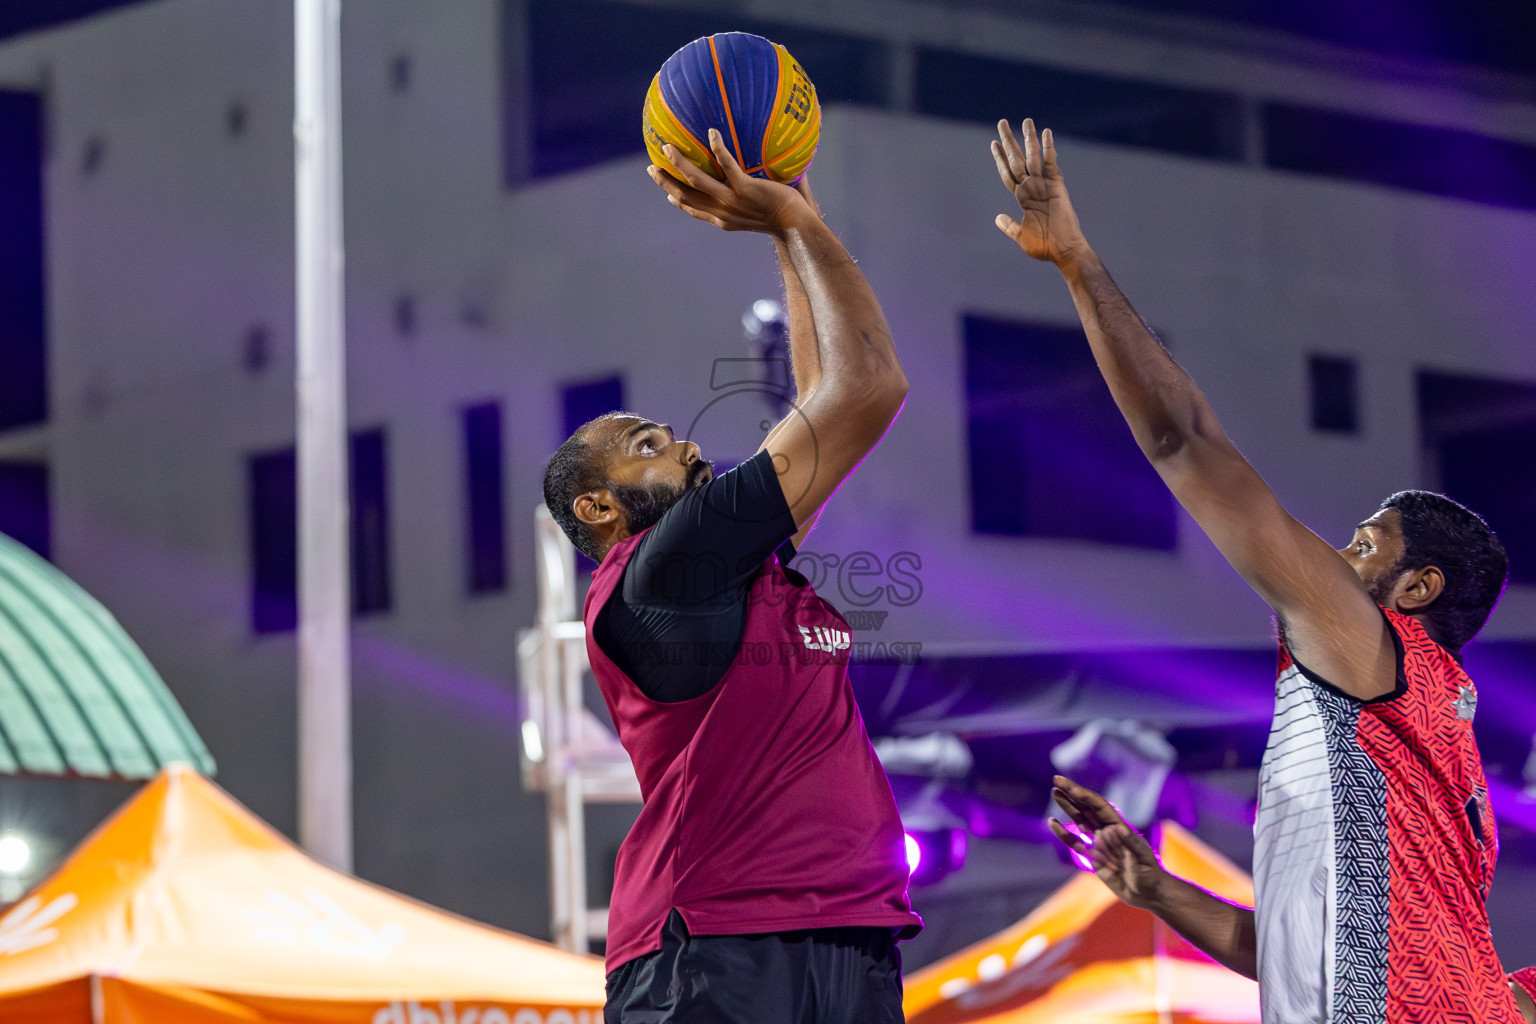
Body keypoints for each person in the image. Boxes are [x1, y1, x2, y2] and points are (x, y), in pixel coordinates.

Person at [987, 117, 1520, 1023]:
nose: (1333, 556)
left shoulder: (1366, 641)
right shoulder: (1428, 751)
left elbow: (1183, 440)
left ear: (1417, 590)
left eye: (1363, 544)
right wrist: (1156, 890)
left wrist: (1076, 263)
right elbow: (1292, 954)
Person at [542, 128, 920, 1024]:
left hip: (841, 927)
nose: (689, 444)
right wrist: (790, 217)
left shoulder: (728, 567)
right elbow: (871, 387)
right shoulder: (671, 560)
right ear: (597, 507)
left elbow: (824, 391)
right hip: (714, 943)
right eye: (648, 445)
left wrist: (791, 221)